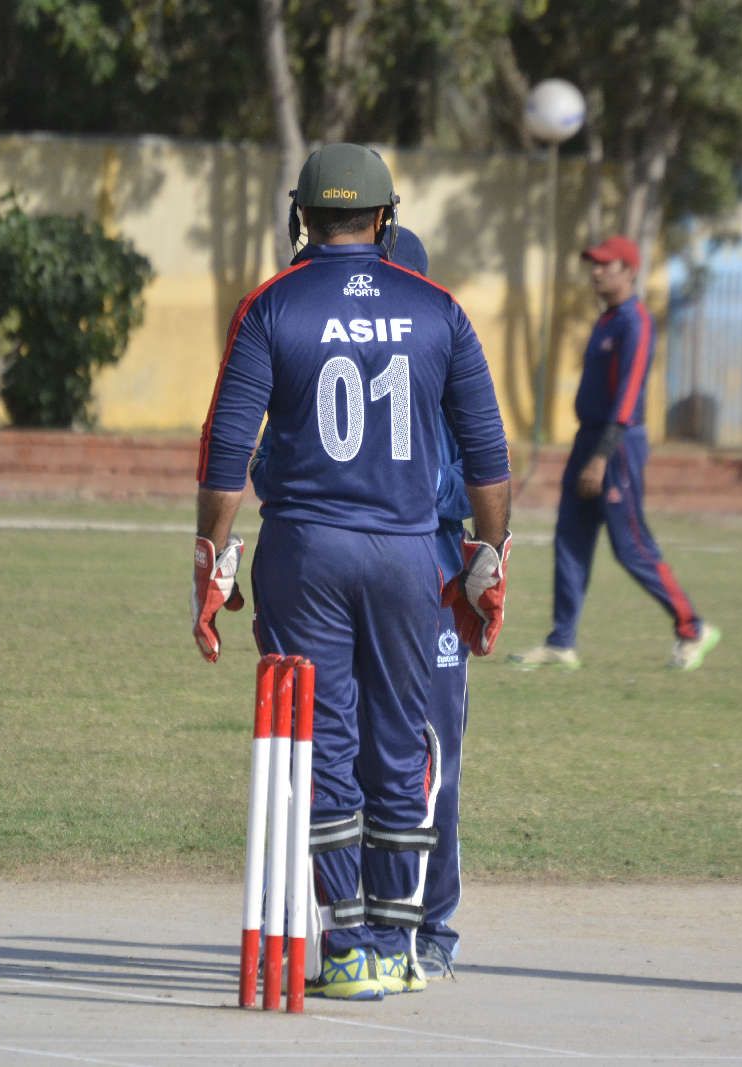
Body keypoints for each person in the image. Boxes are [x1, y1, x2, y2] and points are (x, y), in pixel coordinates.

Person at [193, 145, 512, 1002]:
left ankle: (346, 945)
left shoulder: (272, 303)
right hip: (410, 551)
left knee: (326, 741)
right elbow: (488, 454)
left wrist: (211, 561)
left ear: (301, 216)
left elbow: (227, 452)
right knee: (403, 741)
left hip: (306, 549)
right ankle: (401, 943)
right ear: (384, 217)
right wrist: (489, 559)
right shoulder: (437, 307)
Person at [247, 227, 473, 980]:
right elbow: (265, 462)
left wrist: (409, 485)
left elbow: (474, 474)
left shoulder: (435, 354)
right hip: (342, 574)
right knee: (334, 750)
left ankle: (425, 927)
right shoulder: (316, 353)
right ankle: (342, 926)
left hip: (427, 573)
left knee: (420, 757)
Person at [510, 234, 719, 672]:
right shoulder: (606, 320)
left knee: (631, 546)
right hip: (587, 440)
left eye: (606, 264)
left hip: (616, 445)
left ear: (630, 271)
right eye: (595, 264)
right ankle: (561, 642)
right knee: (570, 538)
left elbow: (628, 395)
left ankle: (692, 627)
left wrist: (602, 455)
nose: (597, 271)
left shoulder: (635, 322)